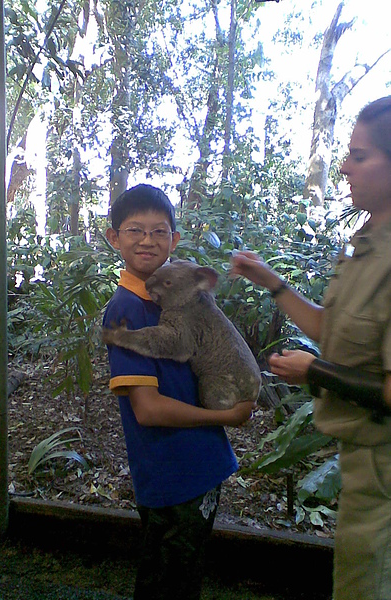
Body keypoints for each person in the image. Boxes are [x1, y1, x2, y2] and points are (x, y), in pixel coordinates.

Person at [230, 96, 391, 600]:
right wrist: (272, 282)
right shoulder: (366, 243)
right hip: (363, 461)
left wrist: (315, 373)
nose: (344, 166)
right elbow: (331, 329)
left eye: (359, 156)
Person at [103, 183, 255, 600]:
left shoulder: (178, 296)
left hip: (199, 463)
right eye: (135, 230)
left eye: (159, 231)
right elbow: (148, 410)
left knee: (181, 573)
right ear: (113, 237)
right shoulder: (128, 309)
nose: (148, 240)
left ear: (175, 238)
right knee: (167, 578)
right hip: (174, 468)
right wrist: (227, 416)